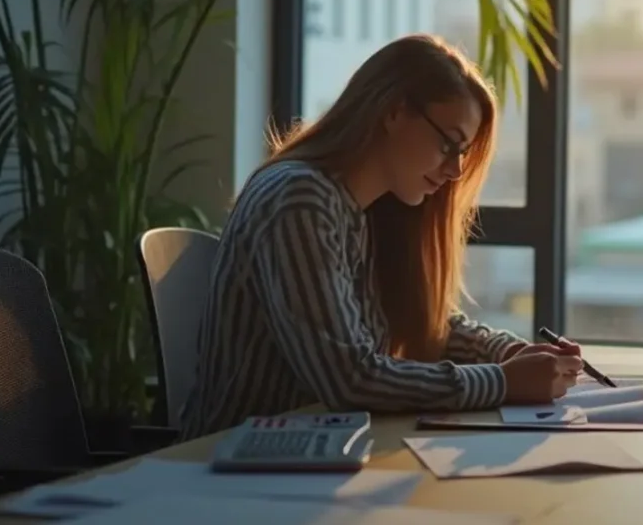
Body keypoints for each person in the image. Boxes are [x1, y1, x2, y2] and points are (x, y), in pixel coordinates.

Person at [181, 35, 583, 439]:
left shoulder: (366, 207)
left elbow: (429, 323)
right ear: (394, 112)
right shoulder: (299, 199)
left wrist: (508, 353)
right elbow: (350, 379)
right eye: (449, 145)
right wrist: (503, 382)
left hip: (312, 455)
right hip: (236, 469)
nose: (456, 172)